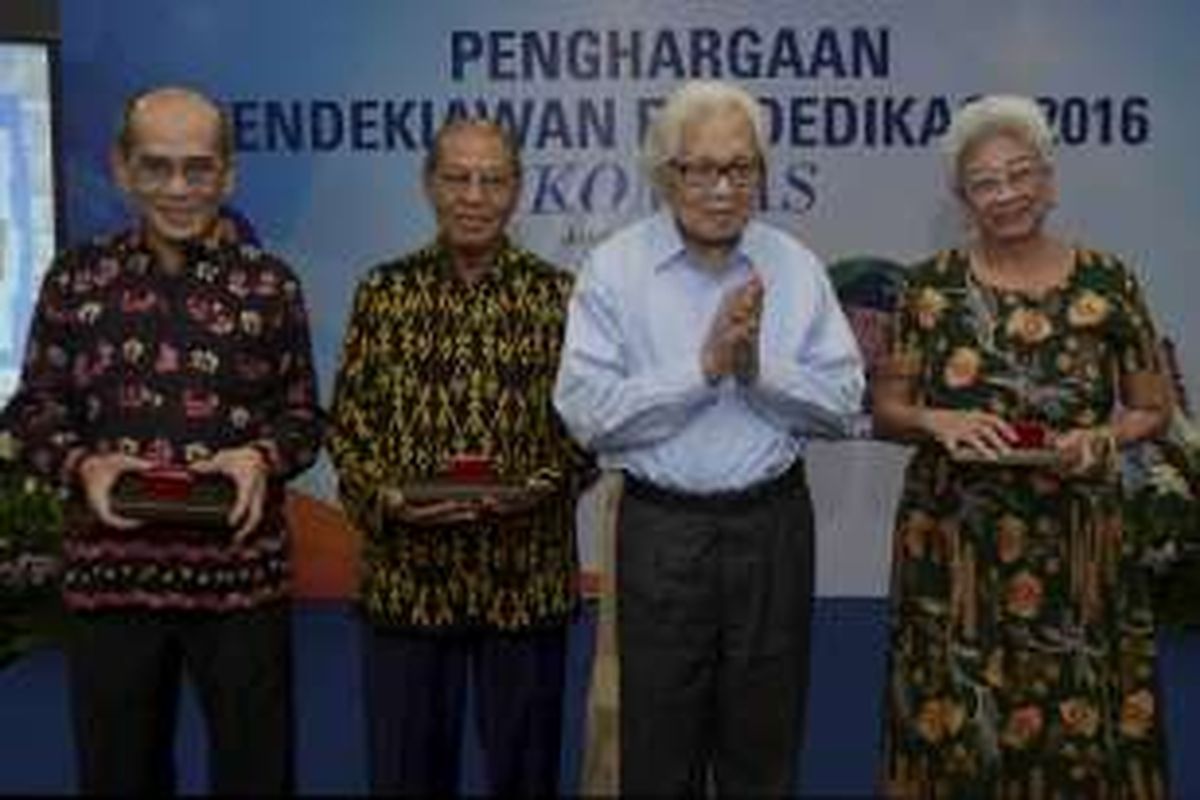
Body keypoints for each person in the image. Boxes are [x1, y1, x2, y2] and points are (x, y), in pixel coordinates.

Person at [2, 86, 322, 794]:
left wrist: (260, 457)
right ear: (122, 168)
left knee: (256, 774)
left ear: (229, 173)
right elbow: (31, 412)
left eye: (198, 168)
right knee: (119, 776)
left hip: (241, 585)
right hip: (112, 584)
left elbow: (303, 420)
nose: (178, 188)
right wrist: (83, 464)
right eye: (156, 166)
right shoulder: (76, 277)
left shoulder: (271, 285)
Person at [553, 80, 865, 795]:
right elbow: (585, 413)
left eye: (742, 168)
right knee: (658, 747)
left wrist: (758, 370)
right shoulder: (615, 269)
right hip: (663, 530)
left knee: (765, 741)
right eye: (702, 169)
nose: (723, 188)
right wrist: (703, 367)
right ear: (668, 174)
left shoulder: (794, 265)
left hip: (771, 527)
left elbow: (843, 405)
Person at [874, 95, 1171, 798]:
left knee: (1083, 723)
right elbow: (886, 411)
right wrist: (935, 422)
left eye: (1021, 174)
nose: (1006, 194)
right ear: (961, 197)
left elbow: (1154, 409)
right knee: (957, 722)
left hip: (1078, 546)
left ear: (1049, 179)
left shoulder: (1111, 280)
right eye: (985, 181)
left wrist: (1105, 435)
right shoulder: (928, 289)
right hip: (955, 549)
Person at [327, 117, 583, 796]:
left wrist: (536, 489)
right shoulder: (383, 292)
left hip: (524, 580)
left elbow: (586, 431)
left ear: (517, 189)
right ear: (428, 184)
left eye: (492, 179)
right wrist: (385, 496)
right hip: (409, 584)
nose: (474, 195)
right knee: (407, 775)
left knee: (527, 777)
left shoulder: (559, 296)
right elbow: (348, 428)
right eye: (457, 178)